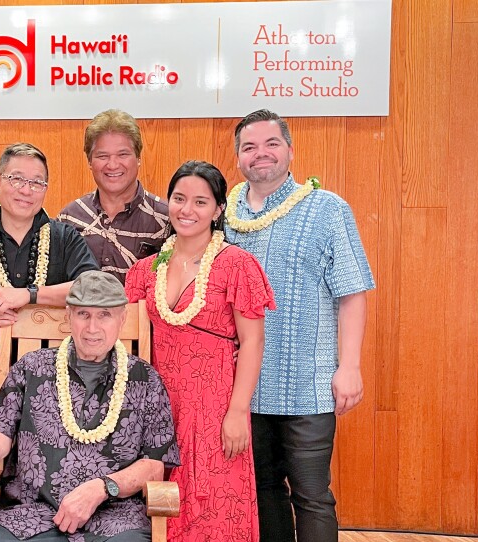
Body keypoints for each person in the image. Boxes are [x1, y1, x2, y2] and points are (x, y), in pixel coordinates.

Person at [0, 271, 180, 542]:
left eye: (104, 315)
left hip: (115, 520)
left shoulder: (145, 379)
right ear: (68, 315)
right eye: (83, 314)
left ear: (122, 319)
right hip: (27, 516)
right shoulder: (31, 368)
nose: (92, 328)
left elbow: (154, 466)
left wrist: (103, 487)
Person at [225, 109, 375, 542]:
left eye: (271, 144)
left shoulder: (327, 209)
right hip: (245, 388)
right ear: (238, 158)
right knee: (263, 490)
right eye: (249, 147)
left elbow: (352, 293)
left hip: (307, 385)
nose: (261, 154)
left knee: (312, 495)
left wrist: (350, 367)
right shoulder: (225, 214)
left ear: (290, 150)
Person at [125, 160, 275, 541]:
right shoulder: (145, 270)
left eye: (200, 202)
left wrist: (238, 411)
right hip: (158, 404)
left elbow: (253, 340)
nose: (186, 210)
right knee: (159, 503)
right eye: (178, 199)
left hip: (215, 405)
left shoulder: (236, 265)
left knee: (212, 505)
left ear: (218, 209)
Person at [0, 142, 98, 427]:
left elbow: (92, 289)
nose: (26, 190)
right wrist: (0, 366)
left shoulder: (65, 238)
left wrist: (30, 295)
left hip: (60, 385)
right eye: (17, 179)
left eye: (37, 183)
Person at [59, 109, 169, 283]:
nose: (112, 165)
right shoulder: (70, 217)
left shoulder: (165, 219)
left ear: (138, 158)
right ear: (89, 162)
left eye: (123, 154)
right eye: (102, 156)